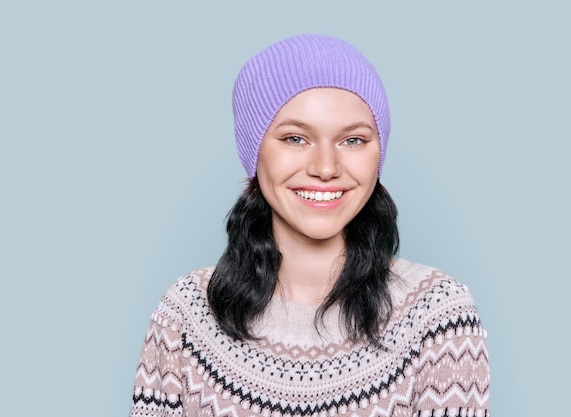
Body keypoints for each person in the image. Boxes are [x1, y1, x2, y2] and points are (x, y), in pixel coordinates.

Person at [129, 34, 490, 417]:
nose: (325, 168)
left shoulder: (437, 316)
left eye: (352, 140)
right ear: (254, 152)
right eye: (295, 138)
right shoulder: (185, 315)